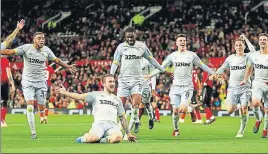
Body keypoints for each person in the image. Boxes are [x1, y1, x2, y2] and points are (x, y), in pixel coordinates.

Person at [0, 32, 76, 139]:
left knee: (42, 104)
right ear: (34, 40)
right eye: (39, 38)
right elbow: (11, 51)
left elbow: (56, 60)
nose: (42, 40)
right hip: (28, 82)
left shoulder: (46, 50)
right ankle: (33, 132)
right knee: (30, 106)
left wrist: (67, 66)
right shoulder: (26, 48)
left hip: (41, 83)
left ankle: (41, 114)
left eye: (43, 38)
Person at [145, 34, 218, 136]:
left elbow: (202, 65)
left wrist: (214, 73)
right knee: (175, 111)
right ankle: (176, 129)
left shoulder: (191, 55)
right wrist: (150, 75)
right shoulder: (172, 56)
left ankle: (189, 109)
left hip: (187, 87)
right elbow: (161, 67)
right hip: (175, 87)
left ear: (186, 42)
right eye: (180, 41)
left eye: (184, 40)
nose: (183, 42)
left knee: (182, 109)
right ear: (176, 43)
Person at [110, 27, 164, 134]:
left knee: (136, 105)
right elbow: (115, 62)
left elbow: (151, 59)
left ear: (136, 35)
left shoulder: (142, 46)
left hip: (138, 80)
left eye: (132, 36)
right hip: (123, 80)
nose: (130, 38)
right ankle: (123, 125)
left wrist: (161, 68)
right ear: (125, 37)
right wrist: (111, 76)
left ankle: (129, 130)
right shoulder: (121, 47)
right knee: (119, 105)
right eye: (127, 37)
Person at [55, 74, 137, 143]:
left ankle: (101, 139)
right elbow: (79, 96)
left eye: (113, 82)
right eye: (110, 82)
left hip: (112, 126)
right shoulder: (95, 95)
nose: (112, 84)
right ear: (104, 83)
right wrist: (65, 92)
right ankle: (85, 138)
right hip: (99, 124)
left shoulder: (117, 99)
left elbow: (122, 118)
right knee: (92, 138)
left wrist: (129, 134)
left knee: (118, 137)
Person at [216, 35, 255, 137]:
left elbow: (254, 51)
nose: (239, 47)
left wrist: (246, 39)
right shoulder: (231, 58)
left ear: (244, 46)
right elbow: (222, 68)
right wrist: (216, 74)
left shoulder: (248, 56)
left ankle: (241, 130)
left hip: (245, 87)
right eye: (237, 45)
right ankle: (238, 106)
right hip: (232, 88)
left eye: (241, 45)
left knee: (244, 108)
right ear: (234, 47)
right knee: (229, 110)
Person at [241, 33, 268, 138]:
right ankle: (258, 119)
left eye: (264, 39)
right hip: (258, 82)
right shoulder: (255, 55)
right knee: (255, 103)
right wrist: (245, 79)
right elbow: (249, 68)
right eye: (261, 39)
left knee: (267, 110)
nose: (262, 41)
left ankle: (265, 130)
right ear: (259, 41)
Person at [1, 19, 25, 127]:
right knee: (4, 101)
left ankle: (2, 120)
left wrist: (17, 29)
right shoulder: (4, 60)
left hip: (3, 81)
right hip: (3, 81)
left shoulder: (4, 59)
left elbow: (9, 39)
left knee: (4, 101)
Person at [137, 58, 157, 132]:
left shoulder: (148, 60)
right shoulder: (133, 59)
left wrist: (153, 89)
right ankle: (137, 121)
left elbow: (153, 75)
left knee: (146, 104)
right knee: (136, 103)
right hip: (136, 85)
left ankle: (151, 118)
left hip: (146, 85)